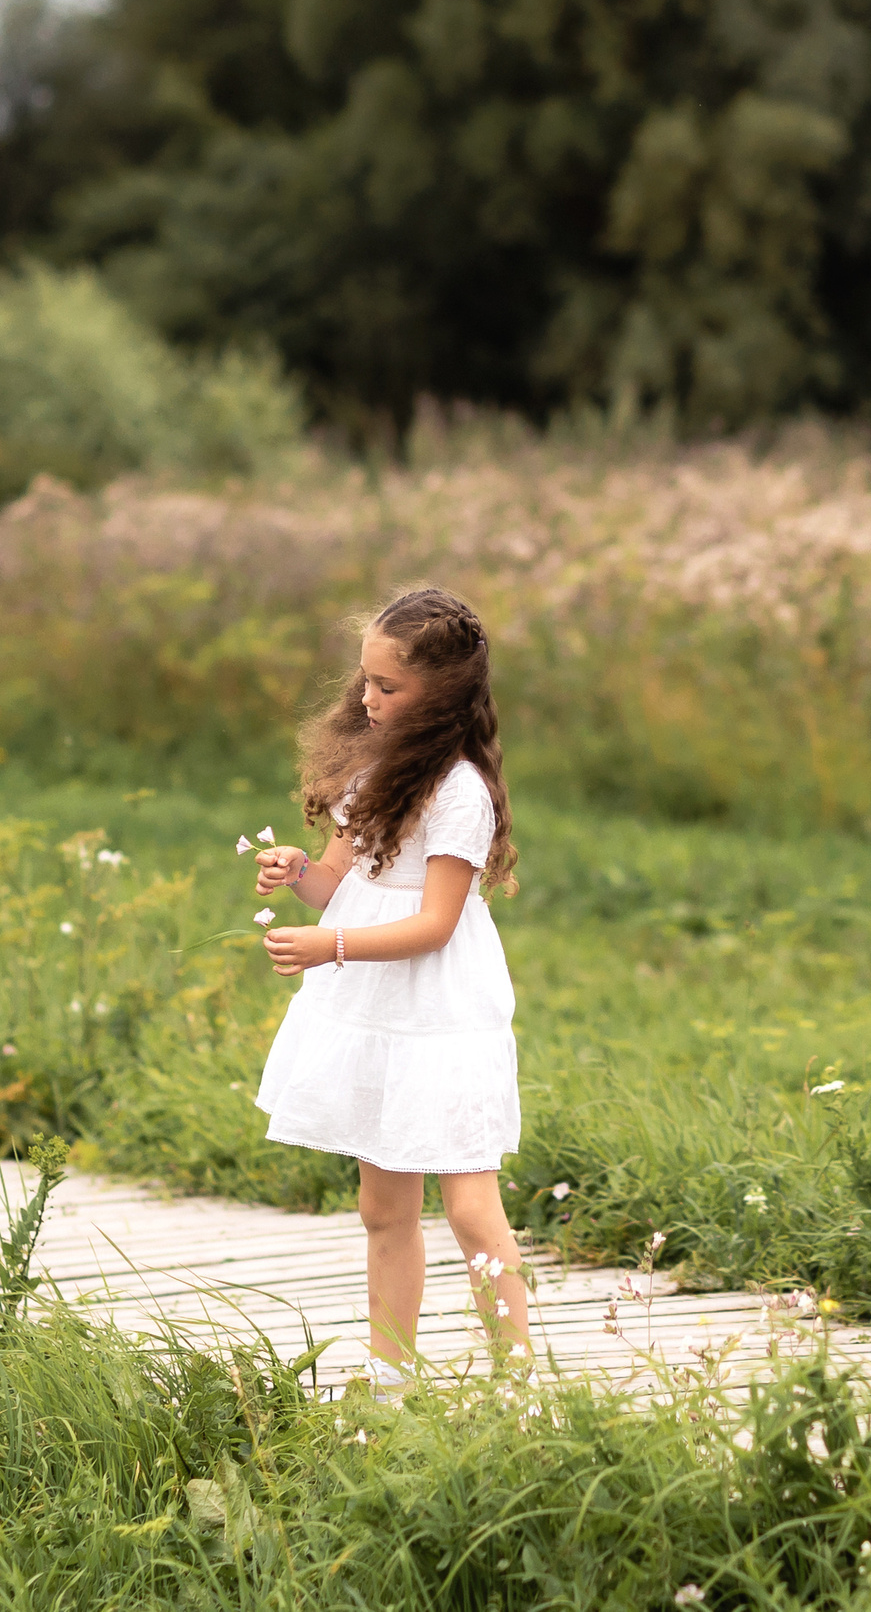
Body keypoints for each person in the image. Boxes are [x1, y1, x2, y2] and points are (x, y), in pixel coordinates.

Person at [253, 586, 530, 1387]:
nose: (367, 699)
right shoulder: (366, 767)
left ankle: (518, 1386)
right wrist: (298, 873)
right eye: (365, 681)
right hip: (373, 1008)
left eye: (388, 687)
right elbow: (338, 884)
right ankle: (391, 1378)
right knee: (384, 1207)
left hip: (440, 1010)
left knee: (473, 1208)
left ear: (440, 696)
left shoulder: (459, 793)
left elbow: (434, 924)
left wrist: (328, 945)